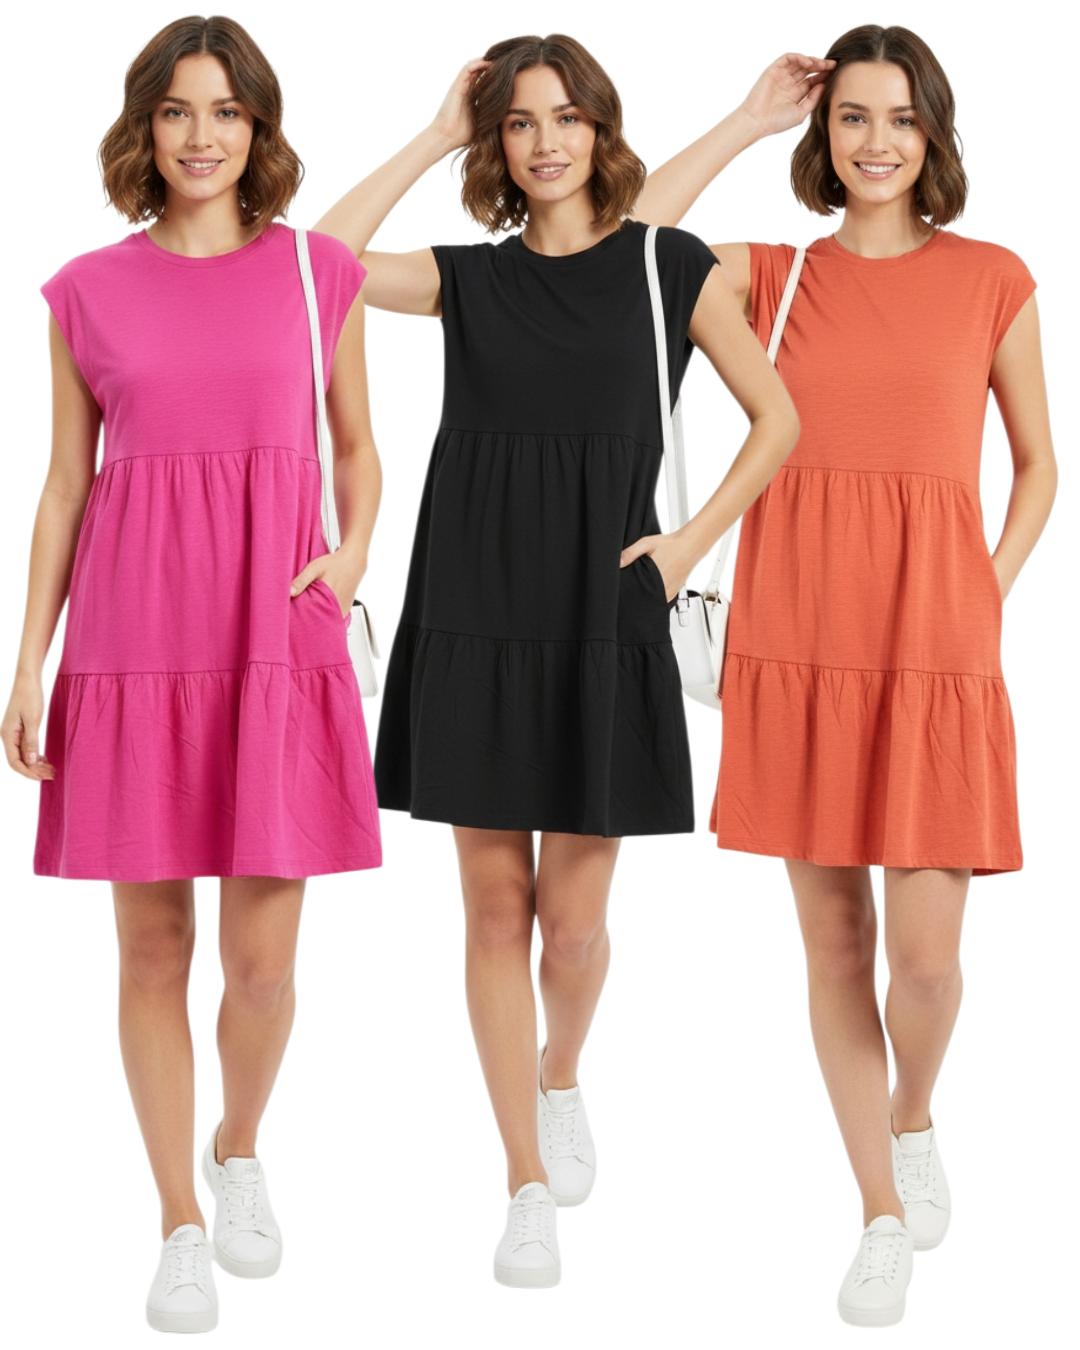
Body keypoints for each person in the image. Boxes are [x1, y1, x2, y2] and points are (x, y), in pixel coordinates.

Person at [314, 34, 799, 1287]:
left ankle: (561, 1073)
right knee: (493, 911)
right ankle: (523, 1179)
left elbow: (779, 417)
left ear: (601, 130)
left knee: (572, 933)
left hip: (605, 603)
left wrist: (687, 544)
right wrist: (433, 133)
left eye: (567, 118)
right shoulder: (469, 278)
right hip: (474, 602)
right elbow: (319, 265)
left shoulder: (664, 265)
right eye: (520, 122)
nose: (544, 143)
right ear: (497, 143)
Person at [634, 25, 1056, 1327]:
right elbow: (629, 244)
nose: (877, 141)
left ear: (935, 135)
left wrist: (984, 589)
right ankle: (878, 1208)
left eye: (901, 118)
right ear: (825, 137)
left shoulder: (994, 277)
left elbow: (1039, 465)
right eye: (853, 117)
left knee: (925, 962)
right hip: (802, 635)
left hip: (934, 646)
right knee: (836, 943)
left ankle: (912, 1114)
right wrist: (747, 118)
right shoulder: (774, 278)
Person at [1, 16, 382, 1333]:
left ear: (258, 126)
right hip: (134, 639)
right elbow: (65, 486)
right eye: (176, 110)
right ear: (145, 129)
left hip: (274, 633)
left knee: (262, 966)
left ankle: (238, 1144)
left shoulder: (318, 272)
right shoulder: (84, 291)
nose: (201, 134)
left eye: (226, 110)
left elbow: (357, 448)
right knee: (153, 945)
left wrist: (351, 556)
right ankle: (175, 1219)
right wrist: (28, 661)